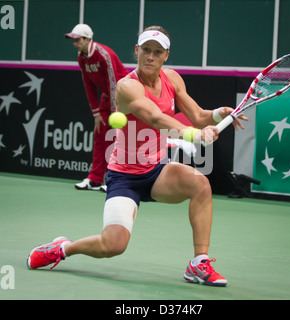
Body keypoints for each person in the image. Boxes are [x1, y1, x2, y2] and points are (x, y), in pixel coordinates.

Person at [27, 26, 247, 286]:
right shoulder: (127, 86)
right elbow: (154, 117)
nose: (150, 57)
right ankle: (63, 248)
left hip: (156, 171)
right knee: (113, 245)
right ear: (136, 51)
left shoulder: (173, 80)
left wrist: (221, 114)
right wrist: (194, 135)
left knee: (200, 183)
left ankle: (198, 264)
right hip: (124, 177)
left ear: (166, 55)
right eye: (146, 50)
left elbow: (199, 116)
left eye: (157, 52)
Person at [65, 24, 128, 192]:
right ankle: (94, 179)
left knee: (118, 138)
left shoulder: (103, 55)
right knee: (100, 134)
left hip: (124, 96)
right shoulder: (81, 58)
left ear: (87, 39)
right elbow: (89, 85)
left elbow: (113, 82)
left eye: (77, 40)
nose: (74, 43)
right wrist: (96, 113)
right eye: (73, 40)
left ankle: (113, 179)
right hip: (107, 98)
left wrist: (116, 110)